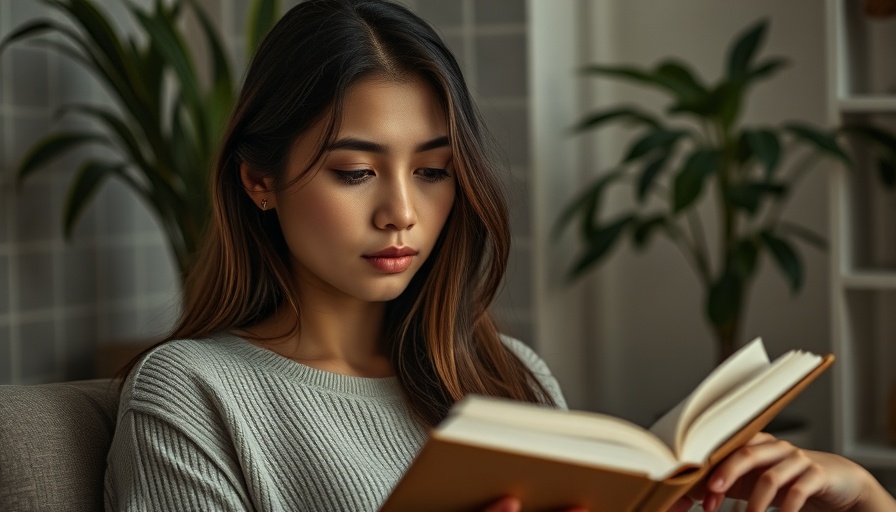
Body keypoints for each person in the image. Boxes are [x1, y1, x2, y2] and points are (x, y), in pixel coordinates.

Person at [103, 1, 896, 511]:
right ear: (258, 181)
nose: (402, 213)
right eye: (354, 172)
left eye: (434, 171)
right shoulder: (194, 392)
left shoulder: (504, 375)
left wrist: (862, 499)